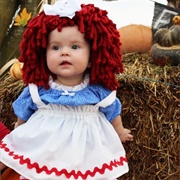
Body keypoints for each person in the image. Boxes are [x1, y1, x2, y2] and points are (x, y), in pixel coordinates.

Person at [0, 0, 133, 179]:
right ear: (43, 54)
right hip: (44, 147)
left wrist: (119, 131)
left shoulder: (97, 90)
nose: (64, 52)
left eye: (75, 47)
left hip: (86, 150)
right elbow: (24, 111)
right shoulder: (40, 88)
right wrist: (20, 130)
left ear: (92, 57)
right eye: (55, 47)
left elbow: (112, 110)